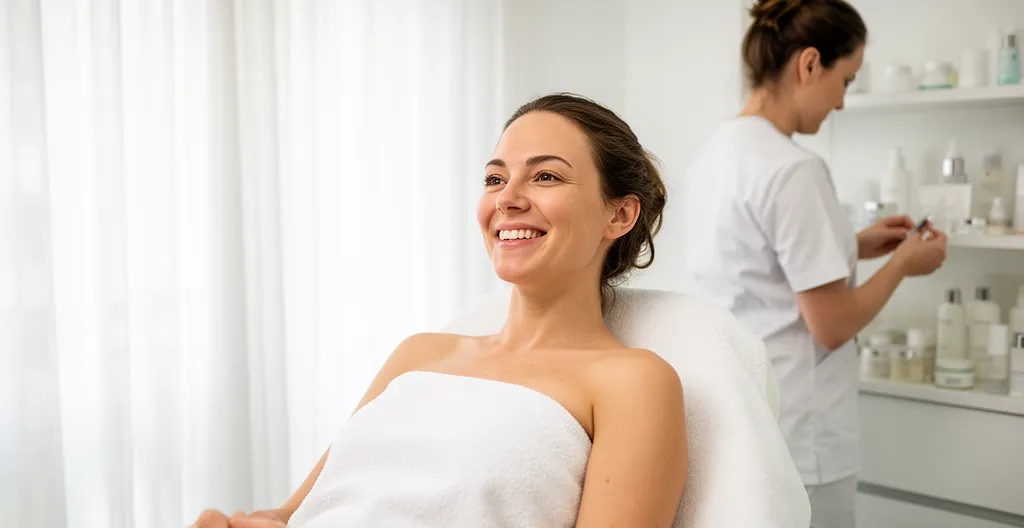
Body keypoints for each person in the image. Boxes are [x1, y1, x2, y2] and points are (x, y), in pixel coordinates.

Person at [191, 93, 686, 528]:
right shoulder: (418, 355)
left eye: (546, 175)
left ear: (619, 214)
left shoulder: (632, 381)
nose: (508, 199)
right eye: (495, 179)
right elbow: (293, 513)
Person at [682, 1, 947, 527]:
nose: (842, 103)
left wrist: (852, 244)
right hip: (804, 437)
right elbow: (831, 325)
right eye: (845, 80)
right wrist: (903, 265)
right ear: (809, 65)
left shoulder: (713, 155)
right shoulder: (794, 170)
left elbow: (758, 268)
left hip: (739, 414)